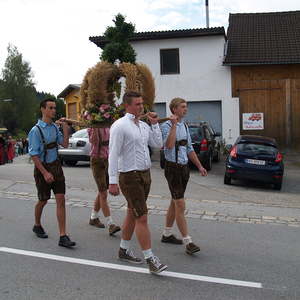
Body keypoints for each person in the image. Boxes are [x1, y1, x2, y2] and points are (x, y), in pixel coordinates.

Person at [109, 91, 168, 274]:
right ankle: (150, 259)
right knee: (141, 216)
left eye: (142, 103)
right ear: (127, 106)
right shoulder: (119, 126)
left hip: (145, 174)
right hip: (129, 176)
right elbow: (112, 154)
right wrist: (112, 181)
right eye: (137, 104)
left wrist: (155, 124)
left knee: (132, 213)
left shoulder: (143, 126)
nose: (141, 107)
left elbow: (158, 144)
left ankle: (123, 250)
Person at [160, 97, 207, 255]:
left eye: (186, 106)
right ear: (174, 110)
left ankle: (166, 234)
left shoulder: (185, 125)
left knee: (174, 202)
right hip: (172, 168)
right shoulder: (166, 125)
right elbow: (169, 145)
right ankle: (188, 241)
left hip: (184, 167)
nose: (186, 109)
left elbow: (189, 148)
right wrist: (173, 125)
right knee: (180, 204)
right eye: (182, 107)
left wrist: (200, 166)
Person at [28, 98, 76, 248]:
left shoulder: (55, 128)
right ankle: (37, 224)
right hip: (42, 168)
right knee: (43, 200)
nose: (54, 110)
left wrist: (66, 128)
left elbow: (65, 144)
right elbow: (34, 155)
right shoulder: (36, 130)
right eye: (51, 108)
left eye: (55, 108)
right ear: (43, 109)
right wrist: (44, 173)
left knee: (61, 199)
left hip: (56, 167)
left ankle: (63, 236)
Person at [88, 127, 121, 235]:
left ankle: (93, 217)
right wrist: (96, 128)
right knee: (103, 193)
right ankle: (110, 224)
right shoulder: (92, 127)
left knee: (102, 191)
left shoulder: (110, 125)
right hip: (97, 161)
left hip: (108, 159)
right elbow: (93, 141)